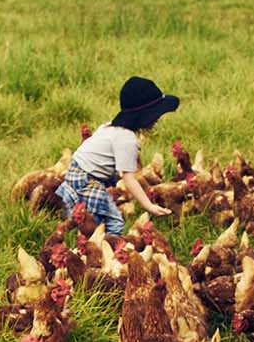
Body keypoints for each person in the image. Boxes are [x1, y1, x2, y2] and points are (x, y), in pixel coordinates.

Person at [56, 76, 181, 235]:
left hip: (76, 171)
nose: (156, 119)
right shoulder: (127, 139)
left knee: (89, 217)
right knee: (113, 223)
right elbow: (128, 179)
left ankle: (82, 234)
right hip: (86, 179)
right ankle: (102, 251)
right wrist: (149, 206)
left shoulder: (110, 127)